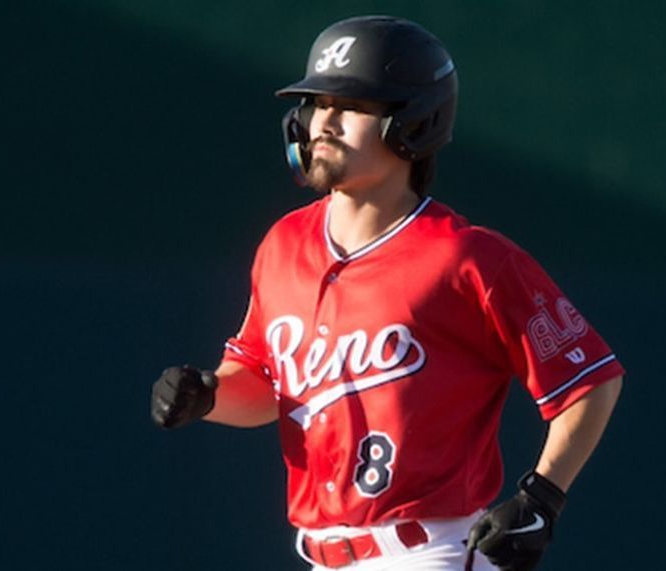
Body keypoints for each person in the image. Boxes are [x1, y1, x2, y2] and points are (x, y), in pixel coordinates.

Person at [150, 15, 624, 571]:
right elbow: (267, 381)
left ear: (413, 123)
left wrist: (543, 495)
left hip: (431, 551)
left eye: (350, 106)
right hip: (321, 555)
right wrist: (208, 395)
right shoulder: (283, 244)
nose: (323, 122)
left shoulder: (466, 258)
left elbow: (590, 378)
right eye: (318, 104)